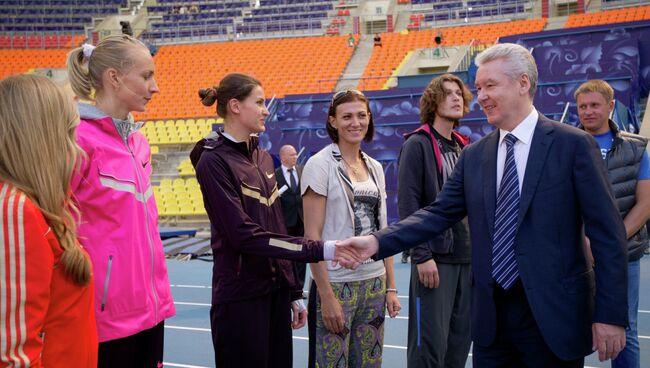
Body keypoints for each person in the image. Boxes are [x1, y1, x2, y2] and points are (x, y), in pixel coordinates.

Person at [337, 43, 628, 367]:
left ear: (523, 83)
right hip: (492, 322)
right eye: (479, 87)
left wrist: (611, 314)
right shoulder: (475, 156)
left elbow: (607, 234)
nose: (481, 96)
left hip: (554, 318)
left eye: (491, 85)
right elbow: (437, 213)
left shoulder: (572, 145)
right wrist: (377, 241)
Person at [191, 73, 341, 368]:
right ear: (235, 106)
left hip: (274, 291)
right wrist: (317, 248)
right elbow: (243, 234)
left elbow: (276, 226)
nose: (265, 109)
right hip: (240, 296)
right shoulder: (213, 161)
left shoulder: (262, 157)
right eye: (258, 102)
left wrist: (293, 289)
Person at [67, 34, 176, 368]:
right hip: (106, 318)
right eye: (146, 76)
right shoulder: (76, 139)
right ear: (113, 78)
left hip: (152, 307)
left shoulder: (139, 141)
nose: (154, 87)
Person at [0, 74, 97, 367]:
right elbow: (13, 354)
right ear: (40, 140)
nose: (76, 149)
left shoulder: (41, 205)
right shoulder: (14, 209)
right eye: (68, 135)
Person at [302, 89, 400, 368]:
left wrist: (391, 287)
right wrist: (326, 296)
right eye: (346, 116)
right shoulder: (319, 166)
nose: (355, 122)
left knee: (369, 363)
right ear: (333, 121)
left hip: (374, 282)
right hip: (336, 283)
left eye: (361, 115)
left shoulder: (376, 167)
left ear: (369, 118)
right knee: (331, 363)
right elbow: (312, 237)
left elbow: (383, 231)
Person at [398, 74, 472, 368]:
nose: (456, 98)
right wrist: (421, 254)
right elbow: (408, 204)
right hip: (435, 258)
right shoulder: (417, 144)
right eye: (448, 93)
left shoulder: (465, 146)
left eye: (459, 93)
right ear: (433, 101)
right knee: (428, 350)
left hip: (466, 258)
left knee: (457, 349)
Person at [575, 79, 650, 368]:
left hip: (624, 255)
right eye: (582, 106)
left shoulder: (637, 148)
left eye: (594, 105)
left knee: (624, 329)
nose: (588, 111)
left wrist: (609, 244)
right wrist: (584, 242)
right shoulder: (565, 143)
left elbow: (644, 204)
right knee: (570, 326)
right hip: (577, 257)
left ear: (610, 105)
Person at [276, 144, 307, 290]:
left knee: (302, 256)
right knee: (287, 257)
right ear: (283, 158)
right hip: (285, 223)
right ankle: (288, 287)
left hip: (301, 221)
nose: (295, 157)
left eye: (296, 154)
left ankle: (299, 288)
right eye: (292, 155)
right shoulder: (275, 175)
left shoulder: (302, 171)